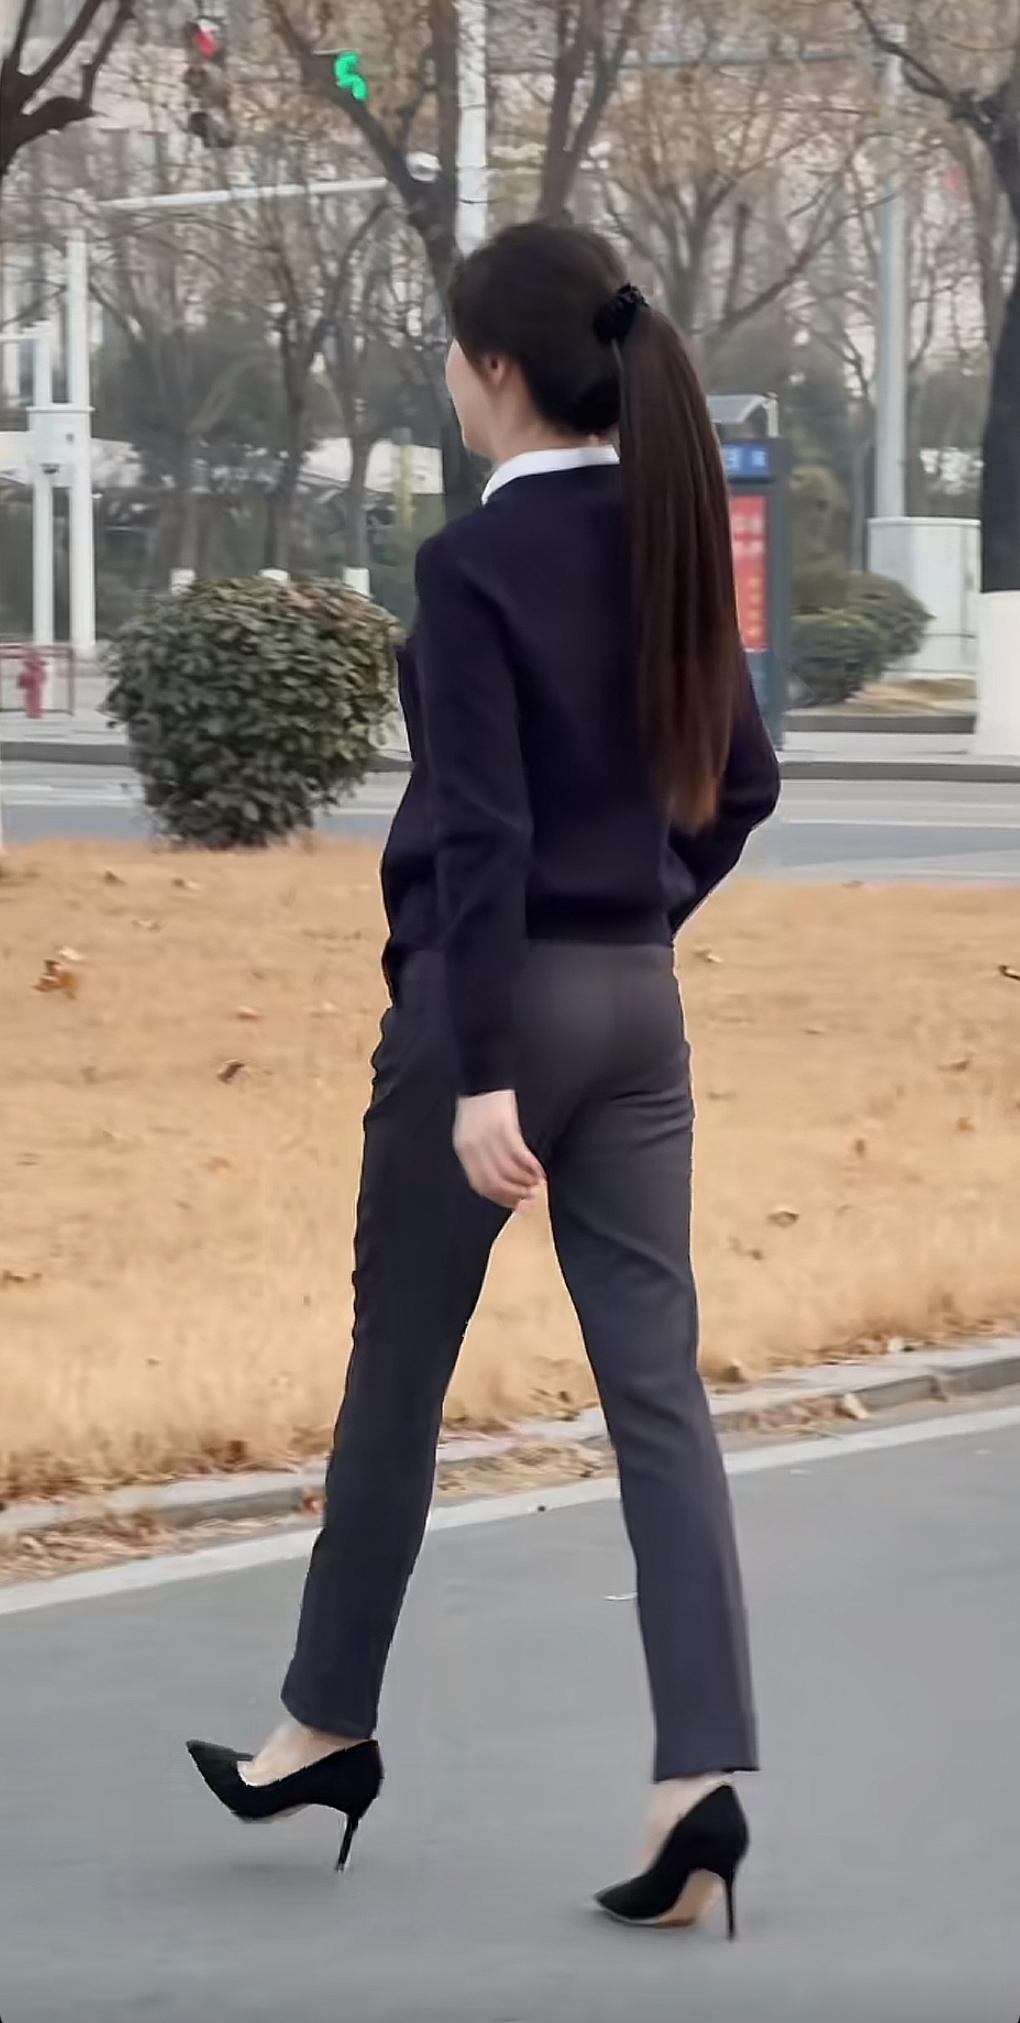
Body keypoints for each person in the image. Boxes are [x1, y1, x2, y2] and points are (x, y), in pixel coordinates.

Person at [188, 221, 780, 1935]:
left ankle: (324, 1726)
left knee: (399, 1374)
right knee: (658, 1395)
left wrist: (480, 1072)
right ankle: (698, 1781)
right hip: (640, 1010)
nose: (450, 377)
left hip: (489, 1017)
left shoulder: (470, 568)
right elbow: (746, 783)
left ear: (498, 369)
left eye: (455, 353)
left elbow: (481, 838)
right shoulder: (672, 539)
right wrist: (639, 918)